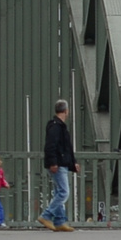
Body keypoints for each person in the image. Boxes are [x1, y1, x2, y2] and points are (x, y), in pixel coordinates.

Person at [40, 99, 78, 232]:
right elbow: (52, 146)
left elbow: (63, 147)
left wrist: (73, 164)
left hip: (60, 163)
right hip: (58, 164)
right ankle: (46, 215)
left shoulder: (57, 126)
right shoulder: (57, 127)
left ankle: (59, 221)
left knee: (58, 192)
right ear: (66, 111)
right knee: (64, 192)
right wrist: (53, 162)